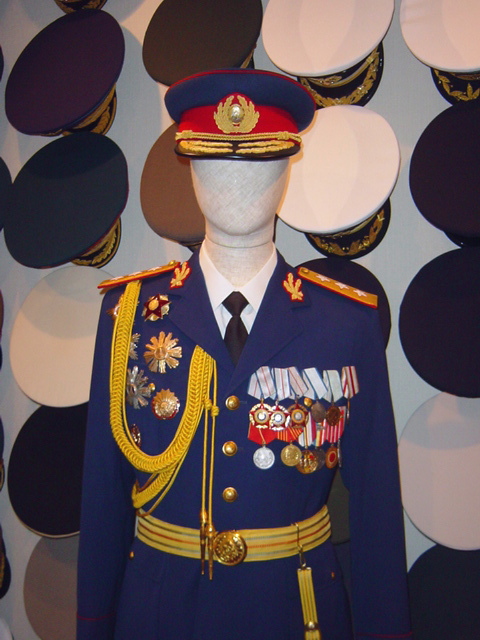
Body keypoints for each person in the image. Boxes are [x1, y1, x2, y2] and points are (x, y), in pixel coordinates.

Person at [77, 69, 411, 640]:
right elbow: (104, 494)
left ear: (286, 170)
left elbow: (377, 503)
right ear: (191, 170)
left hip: (294, 610)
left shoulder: (345, 323)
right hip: (161, 611)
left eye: (260, 163)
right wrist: (94, 624)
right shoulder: (129, 315)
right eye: (214, 163)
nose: (236, 182)